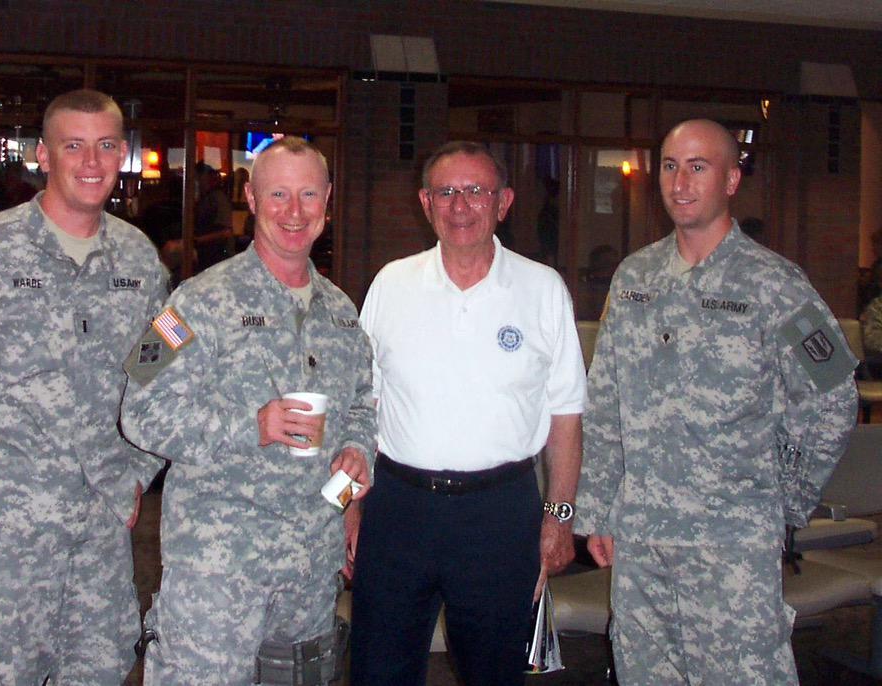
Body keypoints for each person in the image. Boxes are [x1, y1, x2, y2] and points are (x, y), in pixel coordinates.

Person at [0, 89, 168, 685]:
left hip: (97, 532)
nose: (91, 162)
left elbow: (157, 369)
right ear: (42, 155)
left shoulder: (140, 261)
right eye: (73, 146)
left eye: (105, 146)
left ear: (122, 154)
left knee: (99, 669)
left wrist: (137, 470)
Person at [576, 119, 859, 685]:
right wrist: (597, 509)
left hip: (731, 548)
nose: (681, 182)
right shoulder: (635, 278)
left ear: (731, 180)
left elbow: (833, 400)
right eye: (672, 166)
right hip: (643, 540)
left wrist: (782, 498)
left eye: (699, 167)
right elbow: (606, 404)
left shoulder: (774, 284)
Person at [120, 136, 375, 685]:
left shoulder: (342, 313)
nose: (294, 211)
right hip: (219, 577)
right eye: (278, 194)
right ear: (252, 200)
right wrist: (251, 426)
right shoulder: (194, 301)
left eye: (309, 195)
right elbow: (137, 408)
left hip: (309, 574)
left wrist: (357, 459)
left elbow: (362, 407)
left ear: (327, 202)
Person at [351, 141, 587, 686]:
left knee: (495, 674)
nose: (461, 205)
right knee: (378, 671)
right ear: (425, 202)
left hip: (500, 516)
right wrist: (350, 510)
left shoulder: (542, 289)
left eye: (476, 190)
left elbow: (567, 419)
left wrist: (560, 518)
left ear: (503, 201)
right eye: (446, 191)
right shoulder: (391, 284)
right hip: (397, 509)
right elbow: (357, 411)